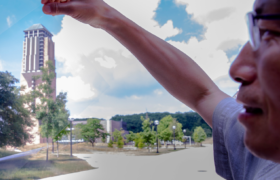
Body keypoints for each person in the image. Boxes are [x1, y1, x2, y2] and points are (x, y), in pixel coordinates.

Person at [40, 0, 280, 179]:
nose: (237, 68)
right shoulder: (266, 150)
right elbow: (203, 93)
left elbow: (203, 94)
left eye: (272, 33)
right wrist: (105, 16)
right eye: (255, 31)